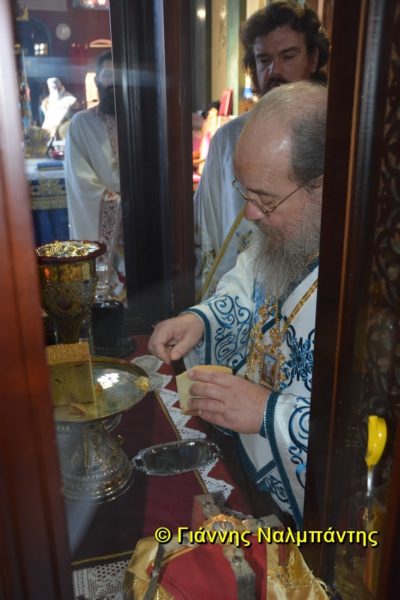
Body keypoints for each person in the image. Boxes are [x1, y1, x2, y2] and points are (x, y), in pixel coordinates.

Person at [149, 81, 327, 528]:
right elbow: (246, 283)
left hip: (319, 516)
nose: (249, 213)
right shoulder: (289, 231)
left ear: (325, 186)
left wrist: (268, 414)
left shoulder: (375, 285)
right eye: (245, 193)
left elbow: (370, 438)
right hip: (251, 469)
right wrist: (201, 319)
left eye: (265, 199)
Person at [194, 0, 329, 301]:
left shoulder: (337, 136)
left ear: (313, 58)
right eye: (263, 59)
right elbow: (207, 229)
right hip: (236, 302)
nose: (274, 70)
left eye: (288, 56)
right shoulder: (227, 140)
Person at [65, 50, 125, 300]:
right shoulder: (81, 124)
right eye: (107, 75)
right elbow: (81, 184)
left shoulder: (139, 122)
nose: (113, 82)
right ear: (98, 81)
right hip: (103, 219)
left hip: (139, 227)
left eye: (118, 75)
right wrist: (119, 204)